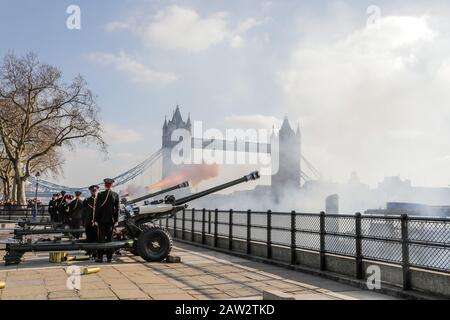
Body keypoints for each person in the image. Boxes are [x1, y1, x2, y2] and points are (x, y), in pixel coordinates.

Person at [95, 178, 119, 263]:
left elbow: (97, 208)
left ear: (105, 185)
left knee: (101, 238)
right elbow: (117, 209)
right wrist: (116, 220)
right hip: (111, 220)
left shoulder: (100, 194)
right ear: (111, 185)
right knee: (110, 238)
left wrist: (95, 219)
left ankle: (100, 257)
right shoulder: (115, 195)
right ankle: (109, 258)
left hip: (101, 220)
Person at [83, 185, 99, 256]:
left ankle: (95, 251)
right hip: (88, 222)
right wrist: (84, 221)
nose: (94, 192)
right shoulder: (87, 200)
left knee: (96, 237)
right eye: (93, 191)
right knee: (89, 237)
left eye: (95, 191)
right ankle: (89, 251)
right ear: (90, 191)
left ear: (97, 191)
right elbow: (83, 212)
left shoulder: (100, 200)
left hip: (97, 223)